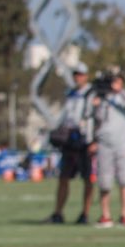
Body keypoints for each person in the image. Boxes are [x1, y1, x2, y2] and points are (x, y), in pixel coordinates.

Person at [44, 62, 93, 225]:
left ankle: (85, 214)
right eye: (75, 74)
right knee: (63, 177)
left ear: (86, 76)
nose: (77, 77)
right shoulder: (70, 94)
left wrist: (94, 140)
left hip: (84, 140)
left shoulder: (91, 94)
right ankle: (58, 213)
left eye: (80, 74)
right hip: (69, 141)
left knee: (87, 179)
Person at [91, 67, 125, 228]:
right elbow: (96, 120)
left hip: (122, 144)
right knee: (104, 181)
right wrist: (96, 103)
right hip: (104, 144)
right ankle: (106, 215)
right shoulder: (102, 99)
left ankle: (124, 214)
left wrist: (120, 90)